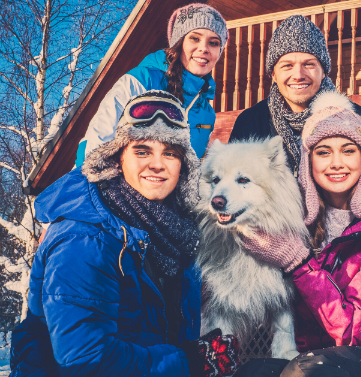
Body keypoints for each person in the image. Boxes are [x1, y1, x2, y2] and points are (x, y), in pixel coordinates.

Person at [10, 92, 239, 377]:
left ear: (184, 166)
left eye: (170, 153)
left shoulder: (175, 231)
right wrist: (187, 363)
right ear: (117, 158)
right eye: (142, 151)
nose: (157, 164)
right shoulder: (85, 238)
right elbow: (86, 359)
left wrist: (201, 351)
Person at [234, 90, 361, 377]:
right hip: (322, 355)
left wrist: (298, 262)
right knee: (254, 372)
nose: (336, 163)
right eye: (323, 152)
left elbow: (354, 328)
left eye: (348, 150)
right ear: (308, 161)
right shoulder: (299, 219)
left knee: (306, 371)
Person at [228, 15, 361, 183]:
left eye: (308, 64)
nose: (298, 75)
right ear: (273, 74)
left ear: (323, 71)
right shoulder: (249, 124)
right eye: (287, 66)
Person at [75, 3, 229, 166]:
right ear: (179, 42)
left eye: (214, 43)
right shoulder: (143, 81)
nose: (204, 48)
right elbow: (98, 139)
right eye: (195, 38)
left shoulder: (206, 114)